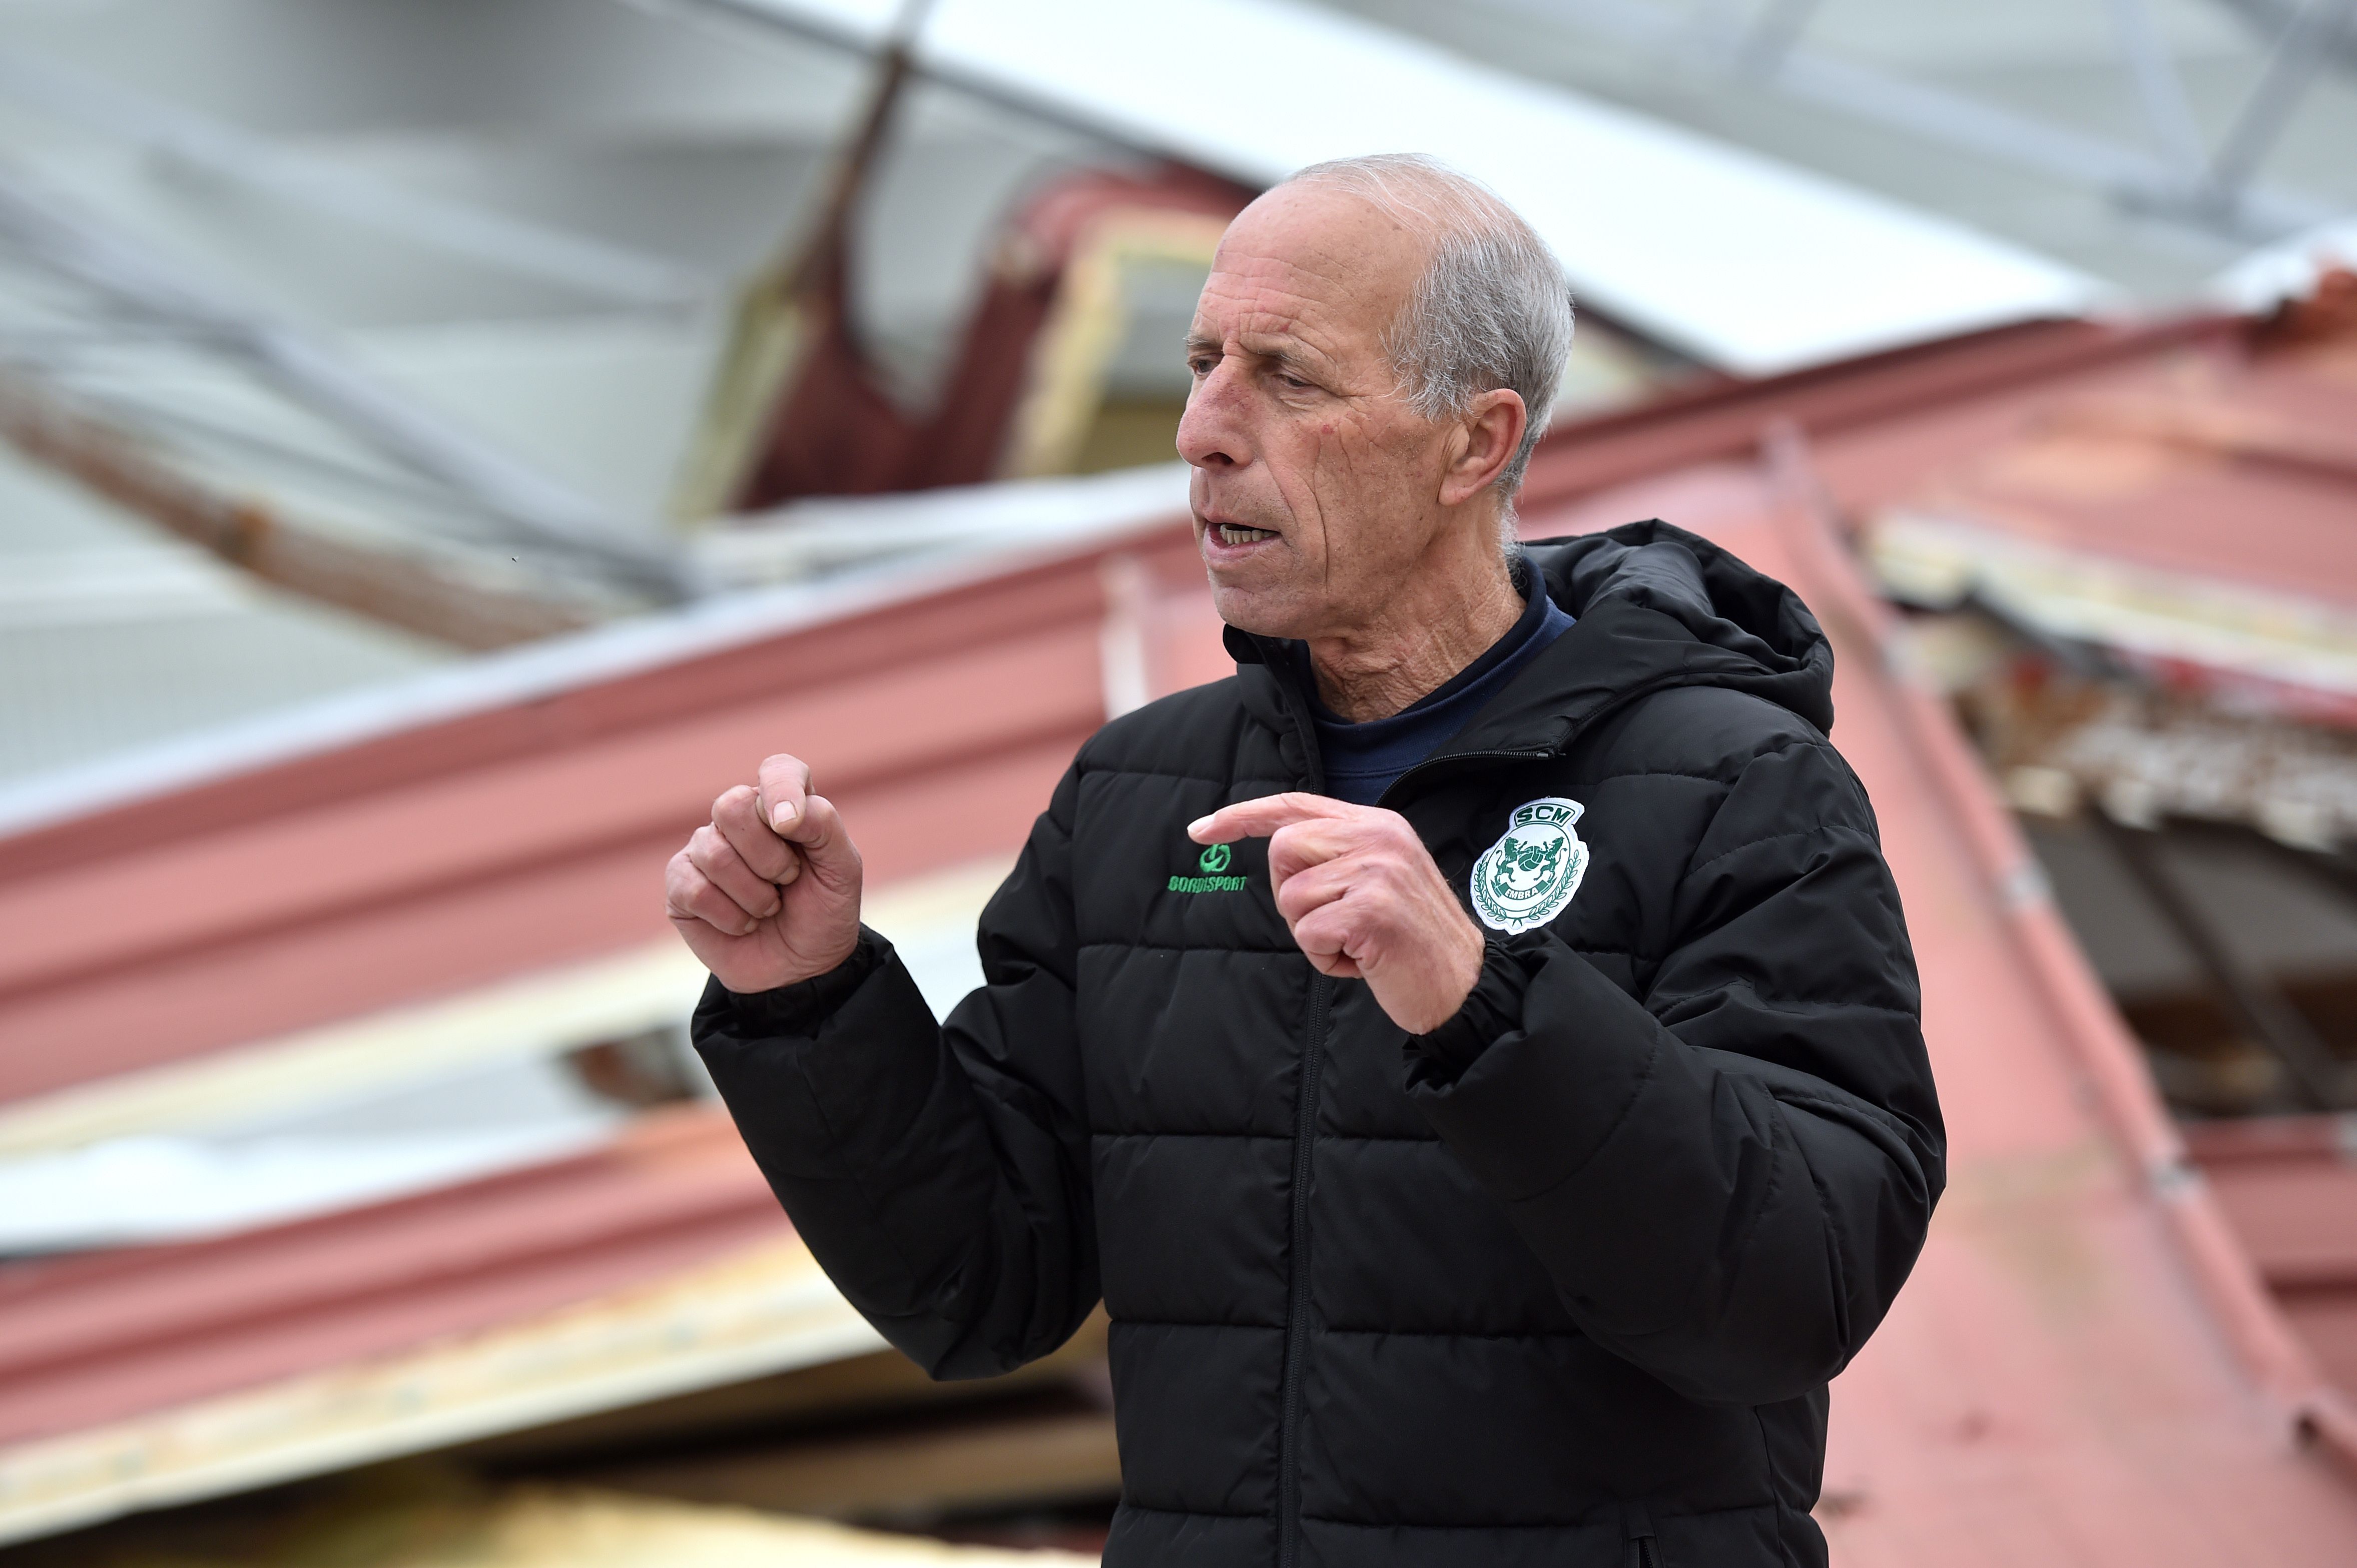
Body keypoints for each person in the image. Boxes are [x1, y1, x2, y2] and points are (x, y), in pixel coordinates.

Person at [667, 153, 1942, 1568]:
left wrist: (1482, 1005)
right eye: (1203, 363)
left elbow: (1791, 1297)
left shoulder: (1739, 785)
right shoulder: (1141, 795)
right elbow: (980, 1290)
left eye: (1288, 377)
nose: (1202, 431)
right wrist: (809, 1002)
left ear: (1474, 444)